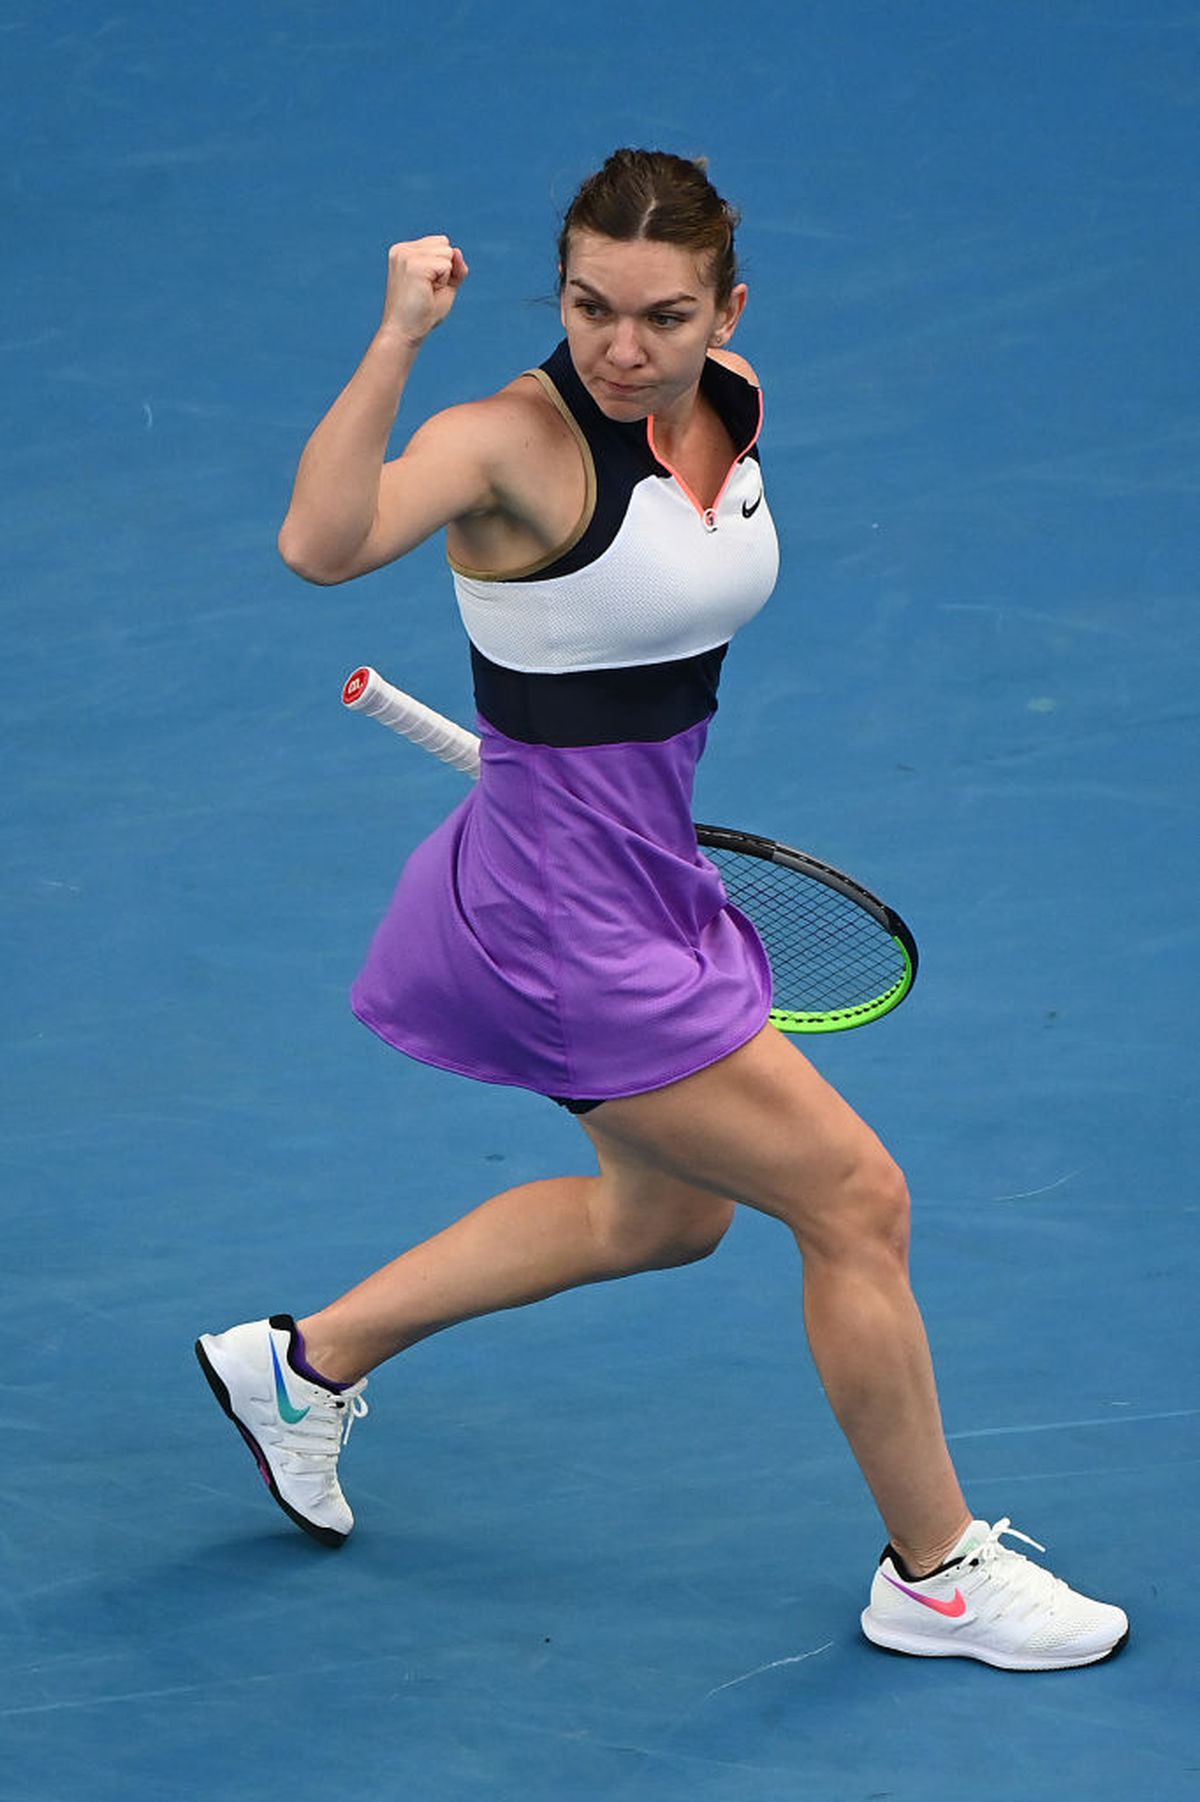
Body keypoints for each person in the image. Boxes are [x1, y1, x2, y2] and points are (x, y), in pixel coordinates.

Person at [196, 149, 1127, 1672]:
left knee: (665, 1213)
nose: (622, 347)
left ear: (725, 310)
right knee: (857, 1200)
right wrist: (397, 339)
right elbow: (321, 543)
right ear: (555, 291)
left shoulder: (733, 400)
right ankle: (936, 1568)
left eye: (662, 315)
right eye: (589, 307)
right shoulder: (502, 442)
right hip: (568, 918)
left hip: (647, 874)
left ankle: (302, 1368)